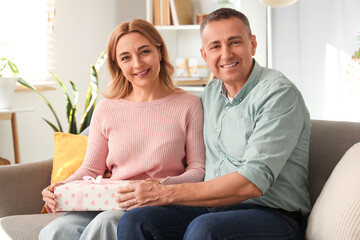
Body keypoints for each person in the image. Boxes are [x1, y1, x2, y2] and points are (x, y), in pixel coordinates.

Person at [116, 8, 311, 240]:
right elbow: (178, 142)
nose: (226, 54)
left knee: (205, 229)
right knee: (137, 220)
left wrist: (165, 193)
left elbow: (252, 183)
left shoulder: (278, 94)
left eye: (235, 42)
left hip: (273, 214)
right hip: (211, 208)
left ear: (253, 44)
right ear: (205, 55)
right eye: (215, 46)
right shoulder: (209, 94)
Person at [39, 19, 206, 240]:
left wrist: (159, 186)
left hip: (157, 204)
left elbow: (198, 170)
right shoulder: (106, 109)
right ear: (117, 64)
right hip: (109, 200)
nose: (137, 64)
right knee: (56, 230)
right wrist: (58, 188)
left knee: (107, 222)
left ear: (160, 52)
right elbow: (90, 170)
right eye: (126, 57)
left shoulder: (189, 104)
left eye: (144, 51)